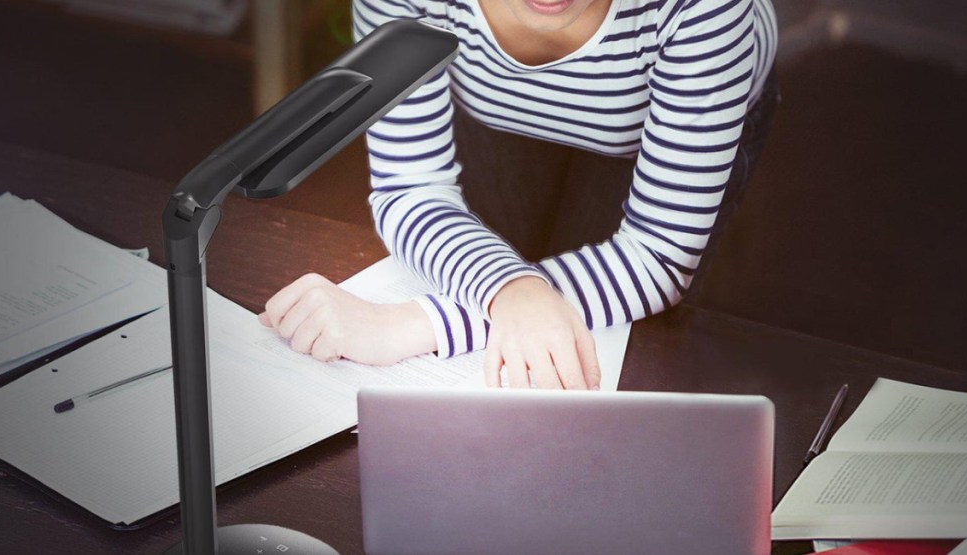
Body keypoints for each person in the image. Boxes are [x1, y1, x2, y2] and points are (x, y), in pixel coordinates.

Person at [258, 0, 780, 390]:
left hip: (662, 113)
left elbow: (660, 256)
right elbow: (411, 187)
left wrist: (418, 323)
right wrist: (511, 289)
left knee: (639, 350)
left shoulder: (707, 9)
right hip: (495, 101)